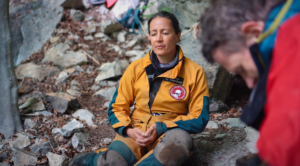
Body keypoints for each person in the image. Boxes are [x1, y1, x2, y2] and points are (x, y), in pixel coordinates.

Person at [69, 11, 210, 166]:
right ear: (149, 37)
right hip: (136, 132)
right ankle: (95, 160)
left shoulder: (194, 72)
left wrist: (162, 127)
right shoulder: (136, 68)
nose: (159, 39)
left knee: (178, 144)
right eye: (153, 33)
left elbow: (199, 118)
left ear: (177, 35)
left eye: (165, 33)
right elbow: (117, 107)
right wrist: (129, 130)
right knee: (114, 161)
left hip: (169, 132)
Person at [199, 0, 300, 165]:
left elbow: (287, 145)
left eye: (242, 69)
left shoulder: (294, 38)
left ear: (253, 32)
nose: (251, 83)